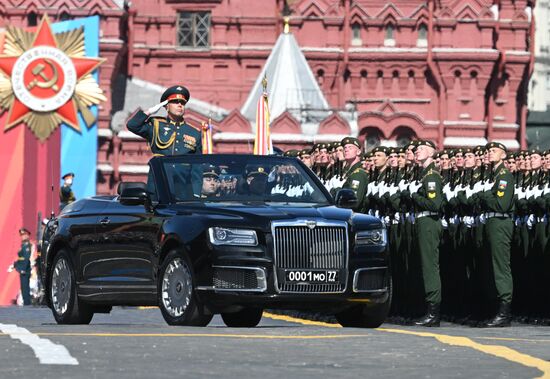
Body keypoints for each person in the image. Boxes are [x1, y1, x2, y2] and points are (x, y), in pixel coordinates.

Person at [475, 141, 515, 327]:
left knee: (500, 267)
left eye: (494, 151)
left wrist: (484, 196)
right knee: (492, 266)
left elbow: (501, 204)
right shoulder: (494, 175)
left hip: (500, 222)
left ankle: (504, 311)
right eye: (488, 150)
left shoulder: (504, 175)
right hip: (491, 222)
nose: (490, 153)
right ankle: (495, 309)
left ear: (504, 155)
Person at [405, 140, 443, 327]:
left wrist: (415, 196)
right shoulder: (424, 173)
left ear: (430, 152)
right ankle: (428, 309)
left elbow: (435, 204)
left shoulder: (431, 176)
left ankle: (433, 312)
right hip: (422, 220)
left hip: (428, 221)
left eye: (420, 149)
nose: (416, 151)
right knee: (425, 265)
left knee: (429, 266)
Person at [126, 85, 202, 156]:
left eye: (182, 103)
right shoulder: (156, 125)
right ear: (166, 106)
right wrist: (149, 111)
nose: (180, 105)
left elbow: (197, 163)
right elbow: (132, 125)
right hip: (161, 170)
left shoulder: (195, 133)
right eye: (175, 102)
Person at [7, 228, 33, 306]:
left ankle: (27, 304)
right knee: (23, 287)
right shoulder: (23, 245)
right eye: (21, 235)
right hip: (22, 268)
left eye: (24, 235)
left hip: (25, 269)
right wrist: (14, 265)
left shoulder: (27, 246)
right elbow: (20, 258)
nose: (23, 237)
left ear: (28, 235)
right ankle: (26, 303)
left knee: (25, 288)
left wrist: (23, 269)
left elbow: (26, 258)